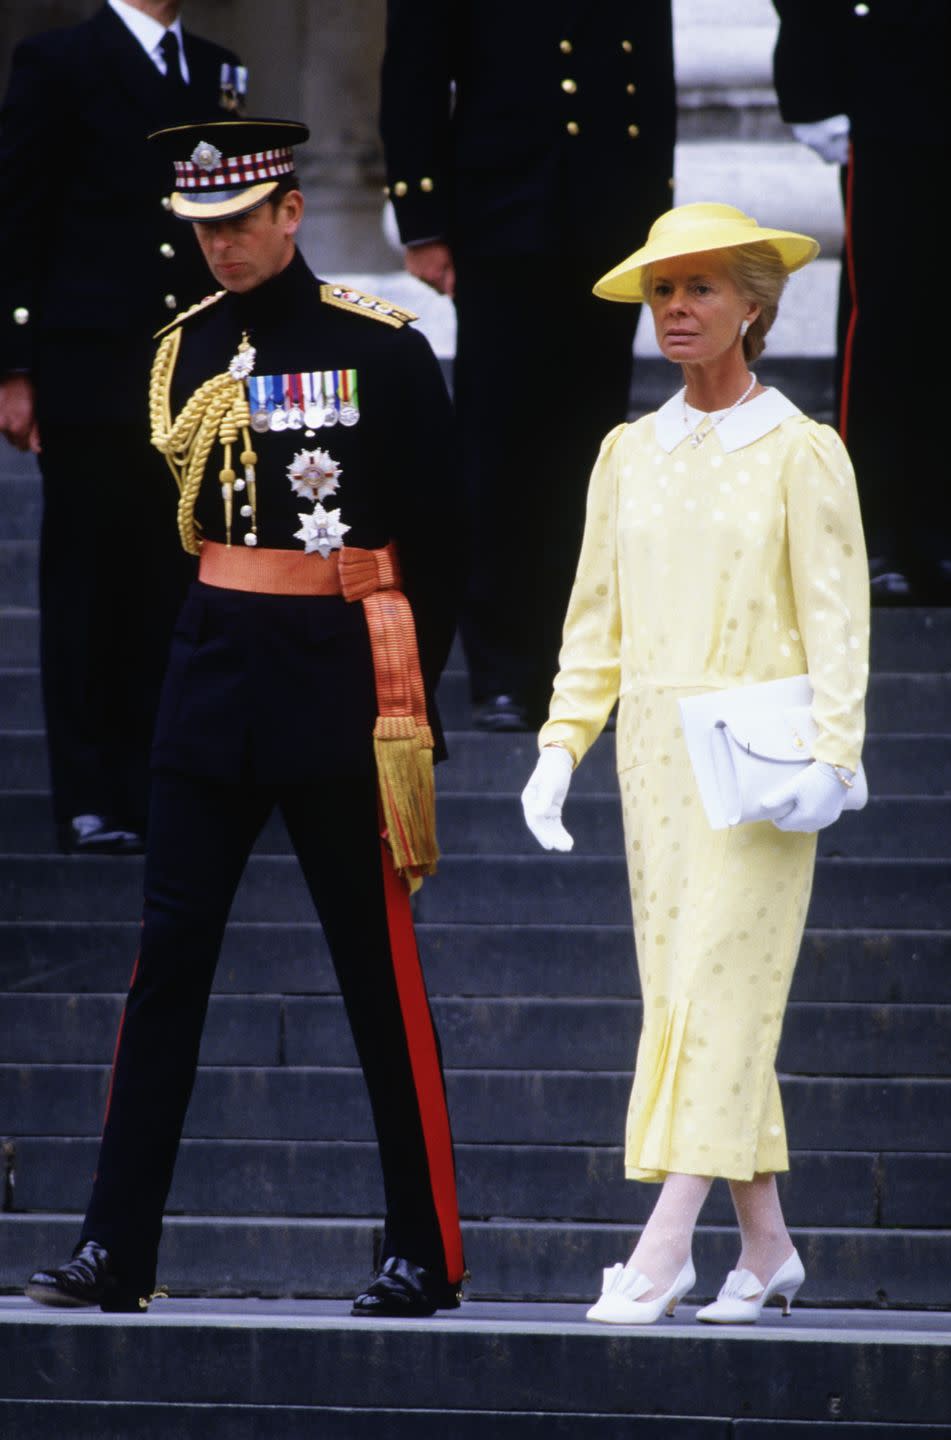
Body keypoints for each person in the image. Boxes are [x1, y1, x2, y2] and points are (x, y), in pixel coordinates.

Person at [24, 117, 466, 1319]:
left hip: (338, 682)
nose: (219, 246)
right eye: (201, 227)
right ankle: (116, 1248)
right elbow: (156, 546)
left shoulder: (380, 349)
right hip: (211, 689)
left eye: (238, 222)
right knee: (167, 970)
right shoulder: (179, 353)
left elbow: (445, 531)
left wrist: (405, 685)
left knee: (377, 976)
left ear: (289, 214)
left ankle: (421, 1249)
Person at [521, 202, 870, 1324]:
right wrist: (560, 745)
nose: (676, 309)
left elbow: (840, 617)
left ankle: (663, 1245)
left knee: (717, 988)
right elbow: (595, 618)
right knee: (690, 995)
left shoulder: (801, 450)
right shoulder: (629, 453)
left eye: (701, 289)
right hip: (655, 768)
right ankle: (766, 1250)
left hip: (766, 766)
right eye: (664, 291)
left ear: (754, 307)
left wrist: (837, 750)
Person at [379, 0, 676, 730]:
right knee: (502, 448)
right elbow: (415, 79)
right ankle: (505, 663)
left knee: (593, 445)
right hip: (505, 217)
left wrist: (655, 221)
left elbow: (652, 79)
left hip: (609, 219)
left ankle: (579, 652)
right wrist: (423, 222)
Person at [0, 1, 246, 854]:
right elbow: (19, 212)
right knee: (88, 588)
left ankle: (160, 782)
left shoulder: (215, 65)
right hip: (91, 367)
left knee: (170, 583)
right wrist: (14, 363)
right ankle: (90, 792)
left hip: (194, 370)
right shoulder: (59, 61)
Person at [771, 0, 951, 604]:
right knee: (886, 317)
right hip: (888, 90)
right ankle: (875, 535)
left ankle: (938, 531)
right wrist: (810, 86)